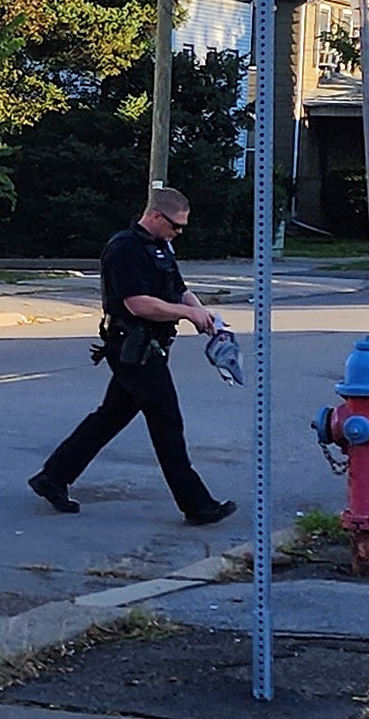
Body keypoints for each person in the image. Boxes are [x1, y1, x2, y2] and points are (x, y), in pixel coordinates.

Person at [28, 186, 237, 526]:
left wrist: (206, 316)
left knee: (109, 417)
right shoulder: (124, 249)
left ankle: (52, 478)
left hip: (151, 346)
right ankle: (197, 505)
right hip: (133, 348)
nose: (178, 232)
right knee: (167, 422)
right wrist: (185, 316)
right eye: (175, 225)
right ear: (155, 216)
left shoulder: (159, 247)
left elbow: (179, 290)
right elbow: (136, 303)